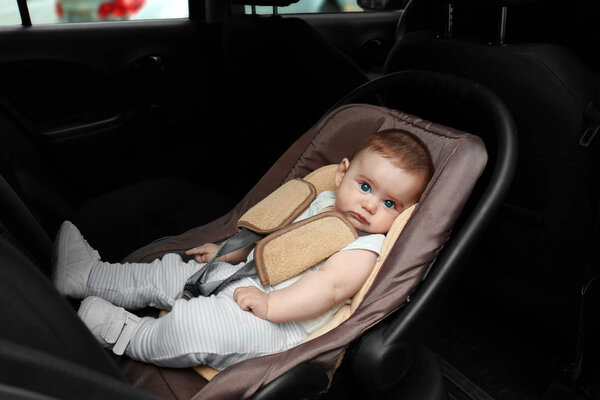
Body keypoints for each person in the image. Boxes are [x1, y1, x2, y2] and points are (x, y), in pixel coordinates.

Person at [53, 129, 433, 370]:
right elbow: (273, 242)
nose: (370, 205)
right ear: (341, 173)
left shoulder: (365, 247)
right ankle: (91, 277)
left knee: (196, 327)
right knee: (171, 270)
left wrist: (273, 307)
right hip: (243, 276)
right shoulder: (321, 202)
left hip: (280, 323)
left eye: (390, 205)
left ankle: (129, 335)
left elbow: (329, 289)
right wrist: (229, 252)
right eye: (366, 187)